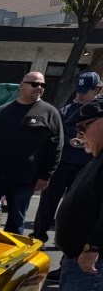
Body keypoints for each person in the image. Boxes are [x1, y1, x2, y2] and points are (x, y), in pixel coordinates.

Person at [16, 98, 103, 291]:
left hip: (91, 259)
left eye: (84, 128)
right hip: (77, 254)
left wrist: (94, 247)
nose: (80, 136)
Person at [0, 71, 62, 235]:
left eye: (43, 85)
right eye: (34, 84)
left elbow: (56, 148)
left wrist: (45, 175)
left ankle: (10, 251)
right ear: (22, 86)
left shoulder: (50, 113)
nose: (39, 87)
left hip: (25, 180)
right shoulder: (2, 111)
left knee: (16, 221)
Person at [30, 71, 102, 242]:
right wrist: (69, 140)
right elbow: (54, 135)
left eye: (85, 92)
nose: (80, 95)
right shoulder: (67, 110)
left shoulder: (99, 112)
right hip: (62, 163)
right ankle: (38, 235)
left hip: (85, 166)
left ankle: (67, 241)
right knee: (48, 202)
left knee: (75, 206)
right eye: (78, 91)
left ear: (97, 90)